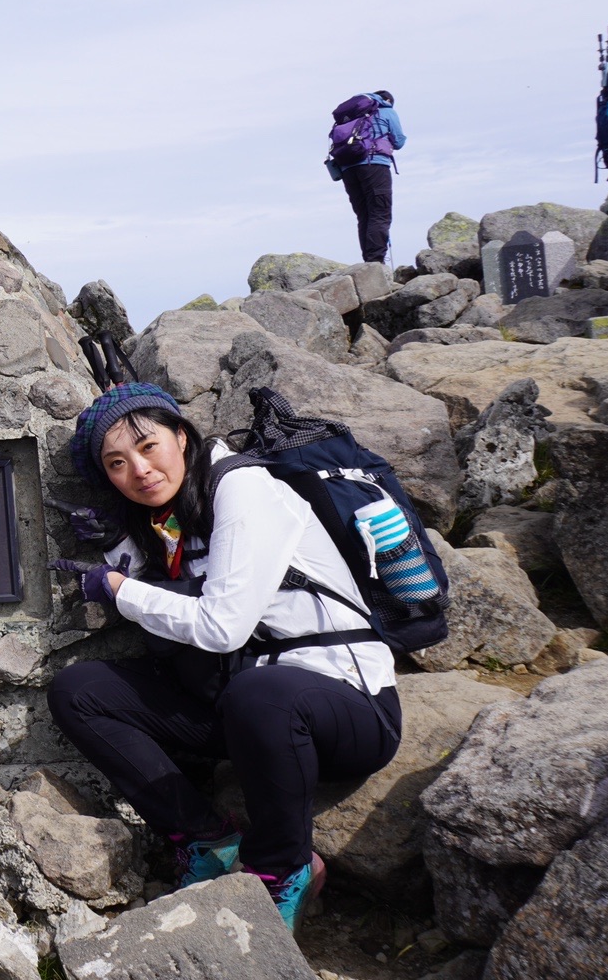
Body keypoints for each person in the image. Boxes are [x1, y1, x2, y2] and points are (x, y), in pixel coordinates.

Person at [46, 383, 402, 929]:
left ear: (182, 436)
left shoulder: (242, 489)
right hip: (245, 712)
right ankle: (209, 841)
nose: (138, 470)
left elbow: (221, 627)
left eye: (148, 446)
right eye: (116, 463)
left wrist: (116, 588)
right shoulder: (164, 512)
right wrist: (116, 544)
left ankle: (282, 869)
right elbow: (169, 586)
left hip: (347, 710)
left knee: (261, 694)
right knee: (81, 691)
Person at [328, 90, 405, 263]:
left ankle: (369, 263)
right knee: (380, 213)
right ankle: (375, 262)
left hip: (347, 168)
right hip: (374, 163)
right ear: (387, 100)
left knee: (364, 215)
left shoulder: (350, 116)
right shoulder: (386, 111)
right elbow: (399, 141)